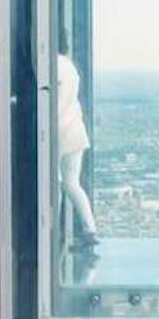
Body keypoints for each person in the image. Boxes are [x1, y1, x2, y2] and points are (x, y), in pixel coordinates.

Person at [54, 52, 97, 250]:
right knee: (72, 183)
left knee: (55, 184)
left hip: (56, 130)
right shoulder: (70, 67)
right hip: (75, 129)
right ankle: (90, 229)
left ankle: (53, 230)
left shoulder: (50, 65)